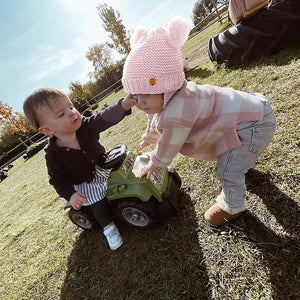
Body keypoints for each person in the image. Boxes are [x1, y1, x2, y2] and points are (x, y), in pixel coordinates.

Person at [121, 16, 276, 227]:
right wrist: (148, 137)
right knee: (234, 159)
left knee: (227, 170)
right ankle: (242, 164)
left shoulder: (178, 108)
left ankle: (232, 206)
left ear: (166, 85)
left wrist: (156, 162)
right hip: (249, 116)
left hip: (253, 125)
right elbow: (157, 122)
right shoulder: (169, 99)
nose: (140, 102)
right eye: (135, 96)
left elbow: (169, 143)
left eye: (146, 94)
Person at [23, 88, 136, 250]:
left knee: (125, 169)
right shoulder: (53, 155)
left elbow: (101, 118)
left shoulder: (85, 126)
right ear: (48, 130)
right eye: (61, 114)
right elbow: (57, 180)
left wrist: (122, 106)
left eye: (71, 107)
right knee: (97, 198)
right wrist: (71, 194)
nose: (72, 113)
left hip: (101, 164)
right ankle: (108, 227)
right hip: (84, 182)